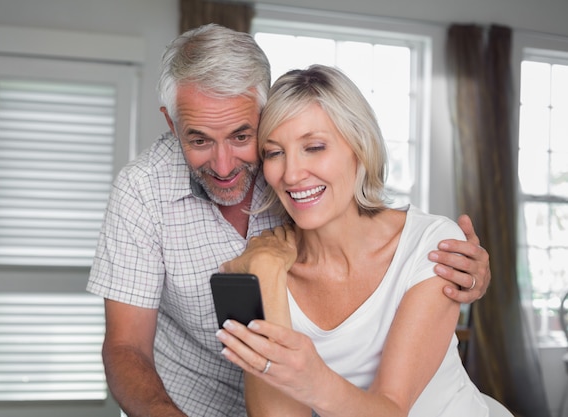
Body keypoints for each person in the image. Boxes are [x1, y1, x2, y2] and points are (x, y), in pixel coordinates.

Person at [87, 24, 491, 417]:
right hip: (190, 404)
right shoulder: (143, 192)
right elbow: (126, 347)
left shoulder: (302, 185)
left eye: (243, 137)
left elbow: (380, 232)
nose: (224, 165)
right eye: (199, 139)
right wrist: (262, 274)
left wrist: (467, 272)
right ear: (172, 124)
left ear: (264, 115)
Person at [216, 64, 504, 417]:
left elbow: (392, 409)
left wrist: (314, 380)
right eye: (274, 153)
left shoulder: (432, 245)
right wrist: (264, 275)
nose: (291, 174)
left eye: (315, 147)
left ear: (359, 147)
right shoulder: (261, 260)